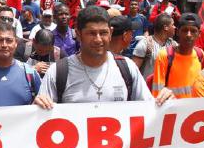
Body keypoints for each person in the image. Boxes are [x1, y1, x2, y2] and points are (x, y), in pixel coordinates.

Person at [33, 6, 170, 106]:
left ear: (110, 33)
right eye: (91, 33)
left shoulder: (127, 68)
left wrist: (167, 105)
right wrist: (37, 106)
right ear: (78, 34)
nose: (98, 39)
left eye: (103, 33)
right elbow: (40, 122)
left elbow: (147, 112)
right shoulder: (58, 72)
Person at [151, 13, 204, 99]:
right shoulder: (165, 55)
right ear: (178, 32)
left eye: (193, 31)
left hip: (194, 109)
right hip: (172, 110)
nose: (189, 35)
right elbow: (157, 93)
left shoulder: (200, 54)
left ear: (199, 33)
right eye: (185, 30)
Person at [132, 13, 177, 79]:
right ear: (165, 27)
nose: (175, 27)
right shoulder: (145, 44)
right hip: (147, 88)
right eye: (172, 25)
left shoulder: (173, 44)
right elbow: (133, 72)